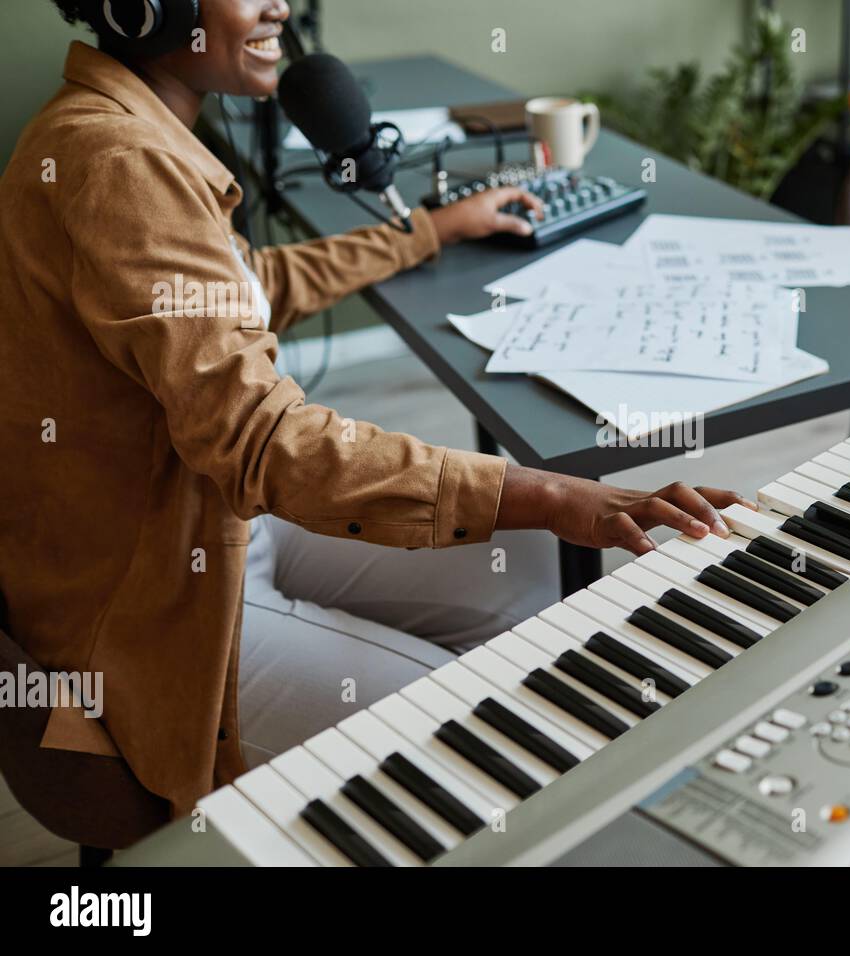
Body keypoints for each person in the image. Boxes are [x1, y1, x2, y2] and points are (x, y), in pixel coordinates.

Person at [0, 0, 754, 815]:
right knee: (488, 733)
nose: (278, 4)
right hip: (157, 592)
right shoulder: (117, 160)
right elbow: (266, 441)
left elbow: (253, 287)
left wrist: (427, 230)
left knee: (529, 573)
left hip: (212, 518)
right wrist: (558, 493)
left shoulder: (137, 129)